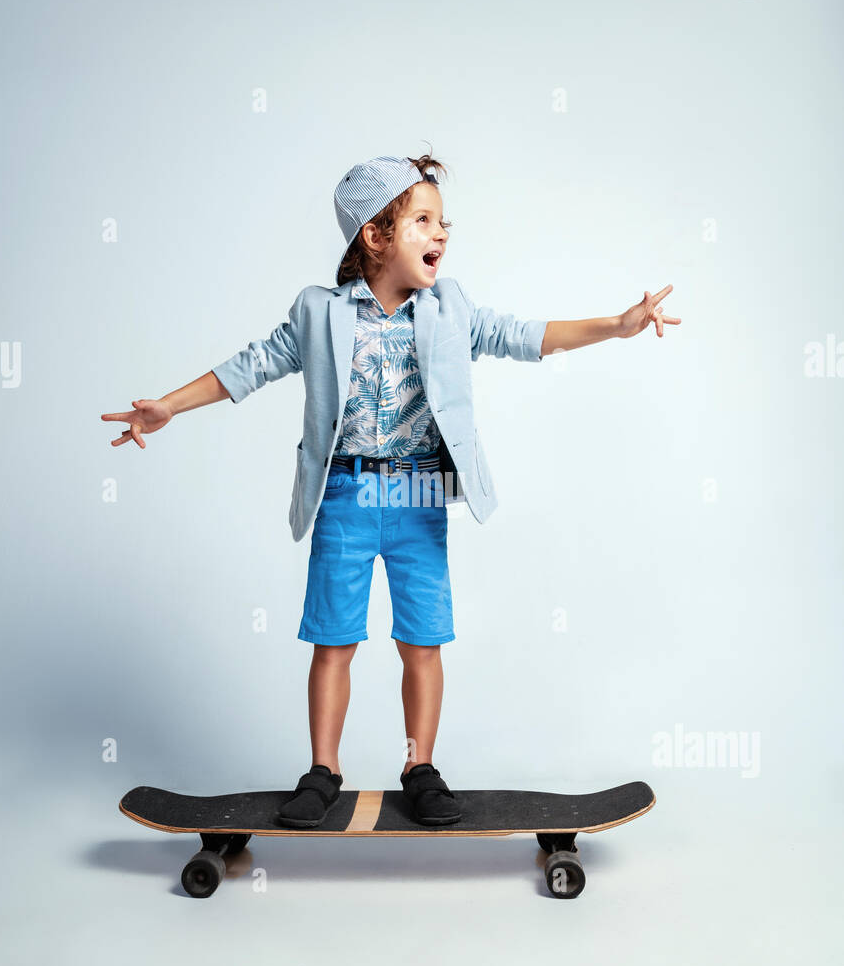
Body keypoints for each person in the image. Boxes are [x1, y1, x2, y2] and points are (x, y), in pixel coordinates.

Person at [102, 151, 680, 829]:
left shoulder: (451, 308)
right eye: (424, 220)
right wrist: (168, 406)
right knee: (334, 640)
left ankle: (419, 765)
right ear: (374, 237)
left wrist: (615, 325)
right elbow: (251, 366)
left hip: (419, 498)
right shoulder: (319, 313)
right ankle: (323, 770)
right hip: (345, 498)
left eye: (445, 221)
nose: (442, 233)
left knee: (422, 641)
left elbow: (525, 336)